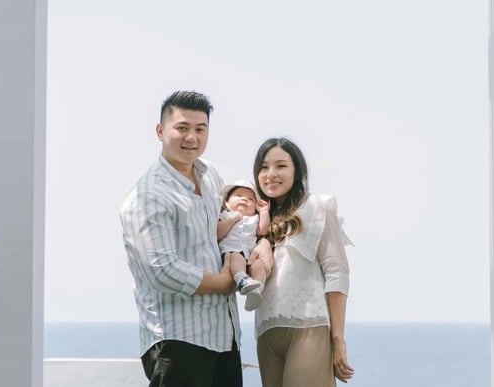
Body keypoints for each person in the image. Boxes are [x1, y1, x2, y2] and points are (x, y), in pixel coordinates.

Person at [120, 90, 271, 387]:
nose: (192, 137)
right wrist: (227, 283)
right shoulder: (149, 195)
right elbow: (162, 271)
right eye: (182, 128)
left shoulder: (210, 175)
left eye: (200, 129)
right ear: (160, 131)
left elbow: (223, 232)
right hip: (178, 341)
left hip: (224, 337)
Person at [252, 137, 354, 387]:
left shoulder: (318, 206)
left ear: (297, 172)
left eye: (281, 166)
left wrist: (338, 339)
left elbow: (336, 272)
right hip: (266, 332)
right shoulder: (255, 220)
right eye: (264, 167)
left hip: (308, 327)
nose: (271, 174)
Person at [217, 179, 271, 311]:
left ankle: (256, 290)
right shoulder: (225, 215)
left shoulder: (254, 218)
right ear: (226, 202)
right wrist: (232, 219)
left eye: (250, 199)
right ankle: (242, 280)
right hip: (231, 252)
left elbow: (263, 230)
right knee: (236, 256)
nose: (244, 200)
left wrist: (263, 212)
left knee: (260, 264)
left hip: (250, 255)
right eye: (239, 196)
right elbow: (218, 233)